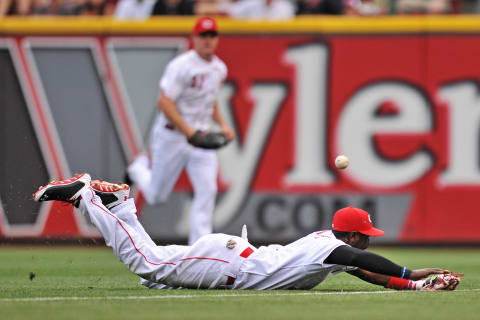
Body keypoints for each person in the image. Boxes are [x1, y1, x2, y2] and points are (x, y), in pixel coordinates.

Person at [33, 173, 462, 291]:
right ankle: (87, 197)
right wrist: (408, 272)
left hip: (232, 257)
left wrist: (416, 281)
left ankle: (120, 204)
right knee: (144, 263)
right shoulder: (334, 248)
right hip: (231, 264)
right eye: (366, 234)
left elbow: (368, 272)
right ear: (350, 236)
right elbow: (365, 261)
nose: (370, 239)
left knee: (154, 268)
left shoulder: (329, 249)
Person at [126, 16, 235, 245]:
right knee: (156, 195)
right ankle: (137, 168)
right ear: (194, 38)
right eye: (203, 35)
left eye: (212, 35)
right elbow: (164, 102)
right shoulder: (181, 66)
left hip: (200, 137)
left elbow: (210, 100)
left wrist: (223, 125)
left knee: (208, 190)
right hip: (172, 136)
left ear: (217, 39)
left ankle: (201, 248)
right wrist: (188, 132)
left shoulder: (219, 68)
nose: (207, 40)